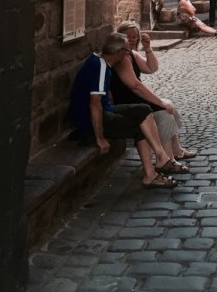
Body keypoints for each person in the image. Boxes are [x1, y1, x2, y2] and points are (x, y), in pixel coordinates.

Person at [69, 32, 179, 189]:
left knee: (143, 110)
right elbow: (95, 105)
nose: (128, 54)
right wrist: (100, 138)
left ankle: (160, 157)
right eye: (127, 51)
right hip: (89, 120)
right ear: (118, 52)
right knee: (140, 126)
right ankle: (151, 173)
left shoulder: (101, 62)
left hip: (106, 110)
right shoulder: (100, 68)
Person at [112, 21, 197, 165]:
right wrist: (159, 102)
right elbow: (135, 85)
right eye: (128, 37)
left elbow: (151, 68)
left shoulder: (131, 53)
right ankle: (166, 159)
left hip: (134, 96)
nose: (132, 40)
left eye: (135, 36)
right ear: (120, 37)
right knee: (164, 112)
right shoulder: (122, 58)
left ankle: (176, 150)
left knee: (170, 107)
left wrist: (148, 48)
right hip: (127, 99)